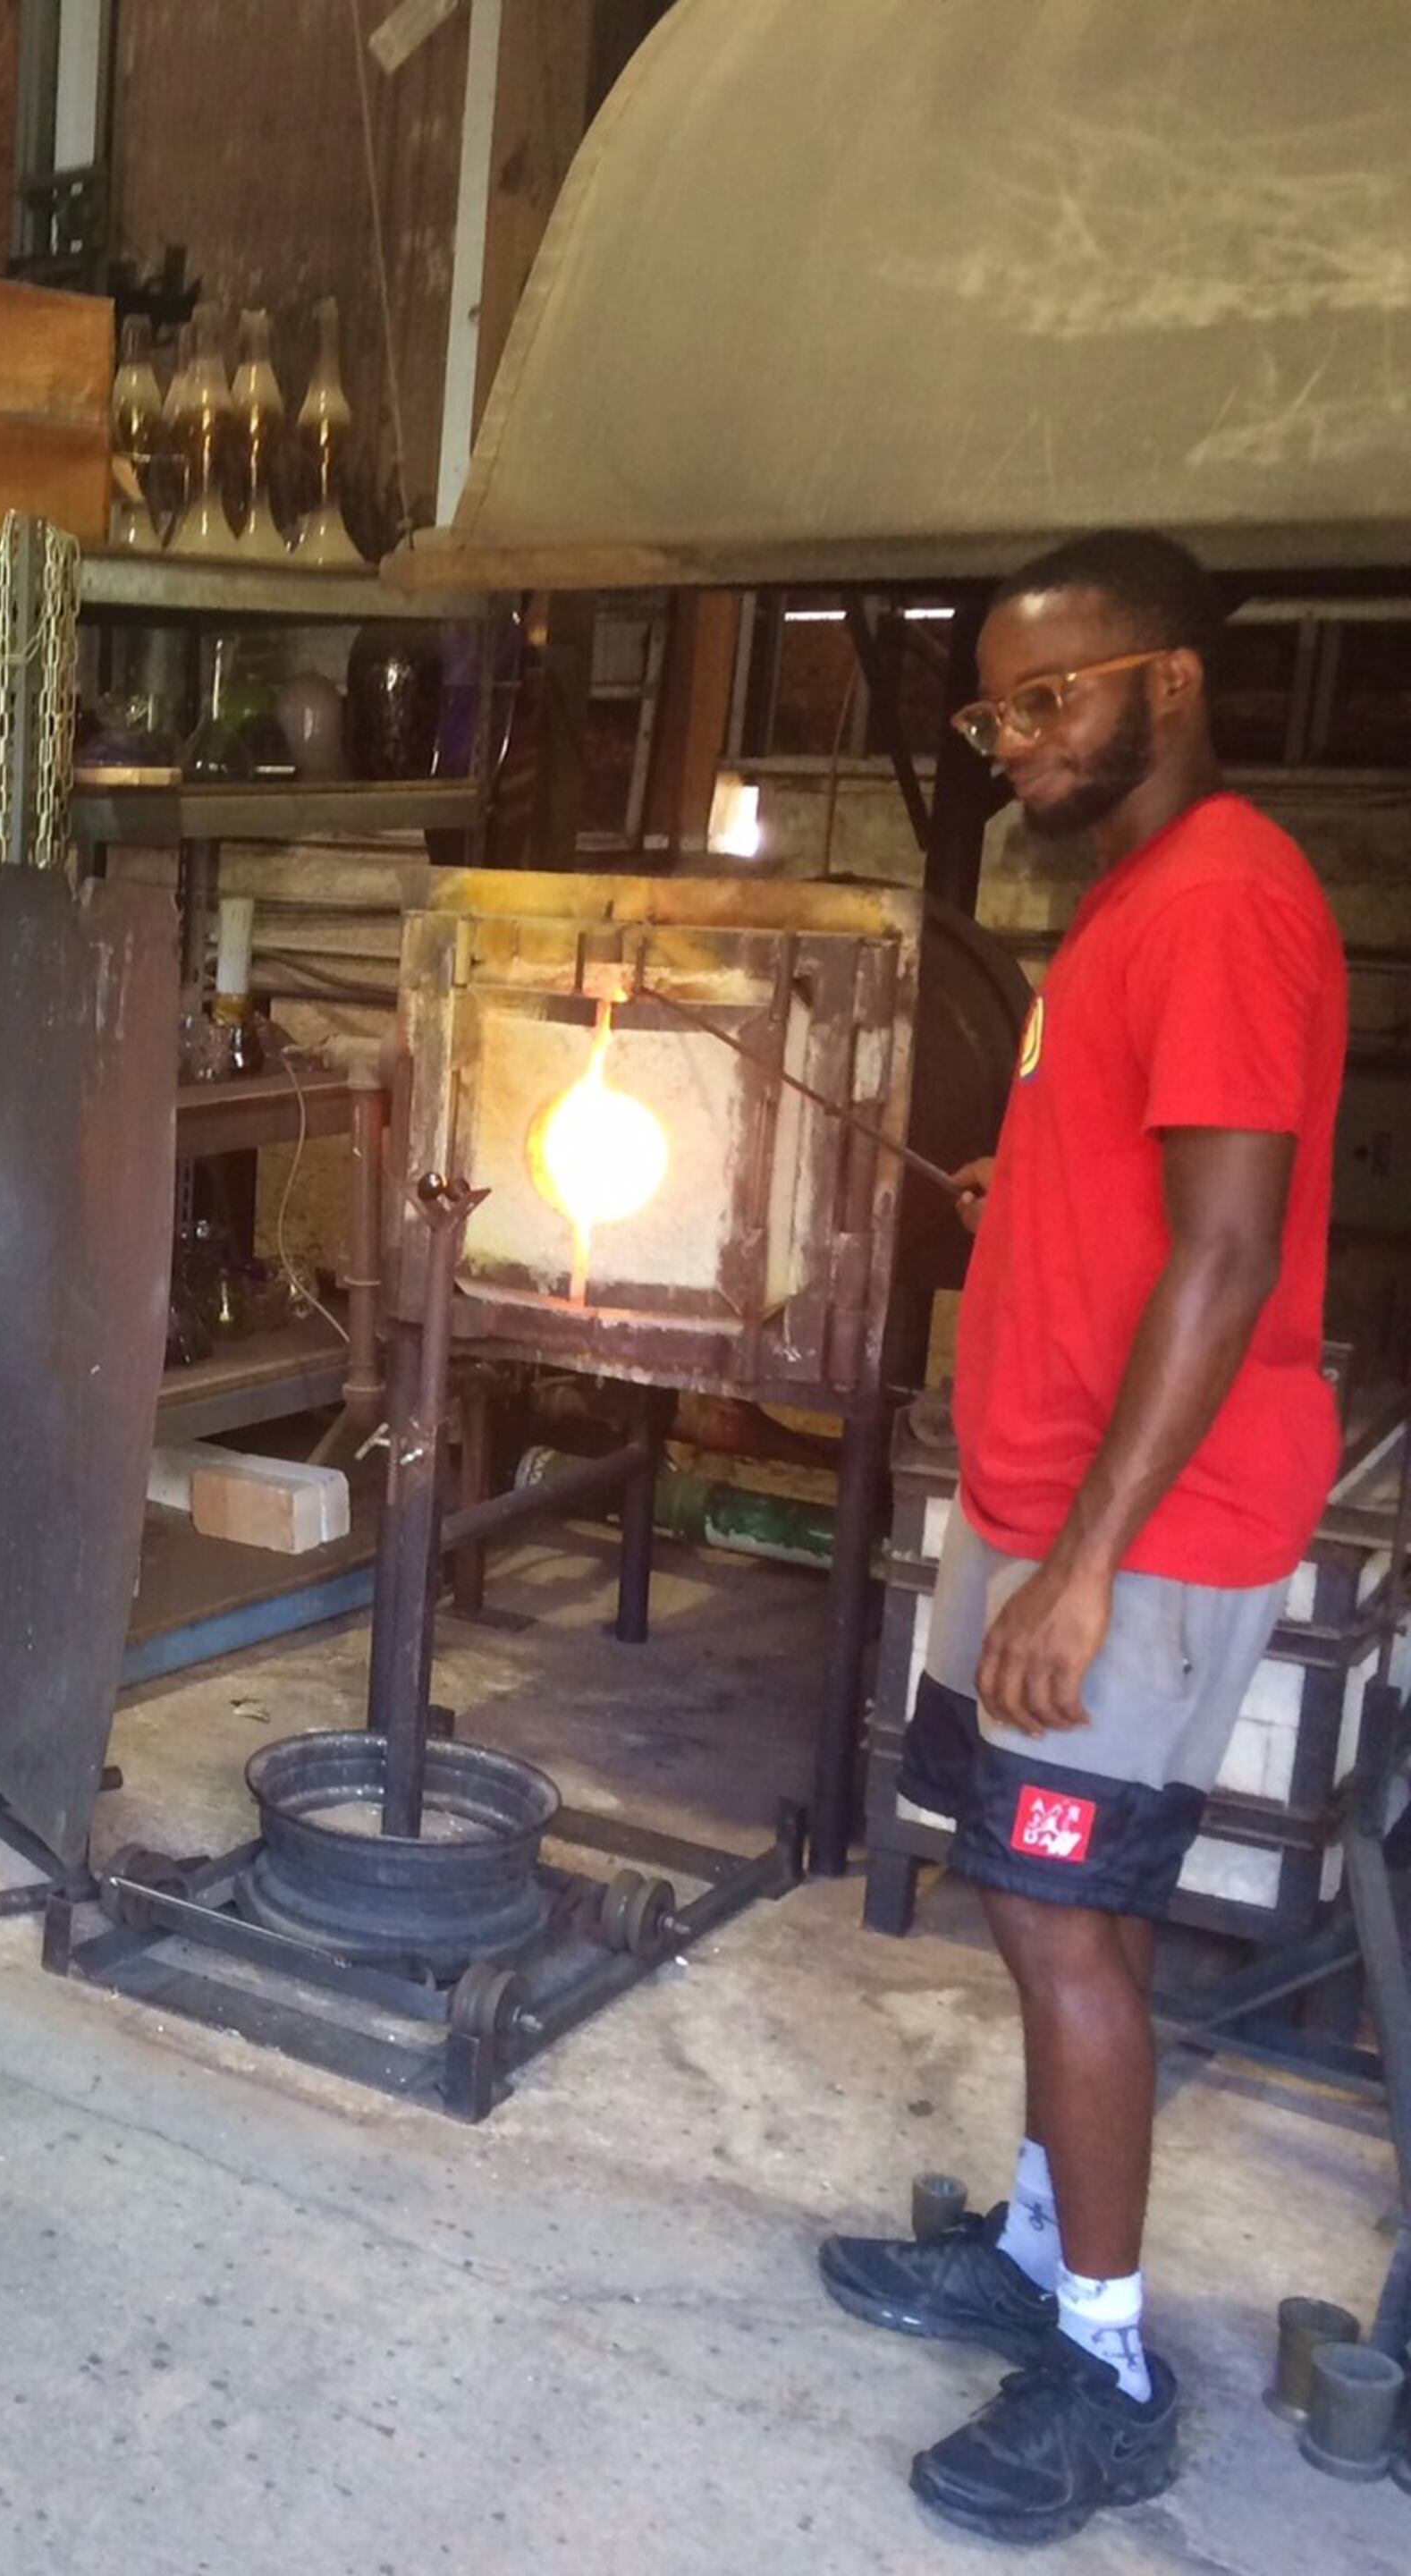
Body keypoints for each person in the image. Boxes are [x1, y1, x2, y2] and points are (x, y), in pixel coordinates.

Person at [815, 532, 1345, 2543]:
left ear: (1170, 682)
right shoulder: (1131, 904)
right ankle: (1041, 2253)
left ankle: (1106, 2364)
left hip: (1139, 1537)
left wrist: (1089, 1565)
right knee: (1040, 1902)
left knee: (1065, 1926)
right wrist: (1024, 1179)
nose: (1018, 742)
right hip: (1038, 1506)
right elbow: (1148, 1193)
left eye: (1052, 698)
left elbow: (1228, 1259)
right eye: (994, 714)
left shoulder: (1223, 901)